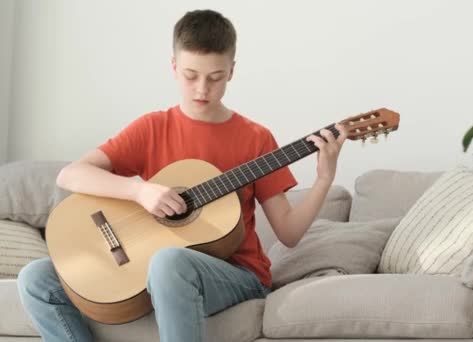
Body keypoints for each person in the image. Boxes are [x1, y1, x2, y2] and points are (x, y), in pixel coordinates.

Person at [17, 9, 346, 342]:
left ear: (231, 71)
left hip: (238, 274)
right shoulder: (152, 128)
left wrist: (323, 179)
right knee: (35, 277)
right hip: (154, 268)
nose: (202, 88)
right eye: (191, 75)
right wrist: (140, 192)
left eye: (215, 77)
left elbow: (288, 233)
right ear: (174, 67)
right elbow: (71, 175)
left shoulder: (256, 138)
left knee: (169, 262)